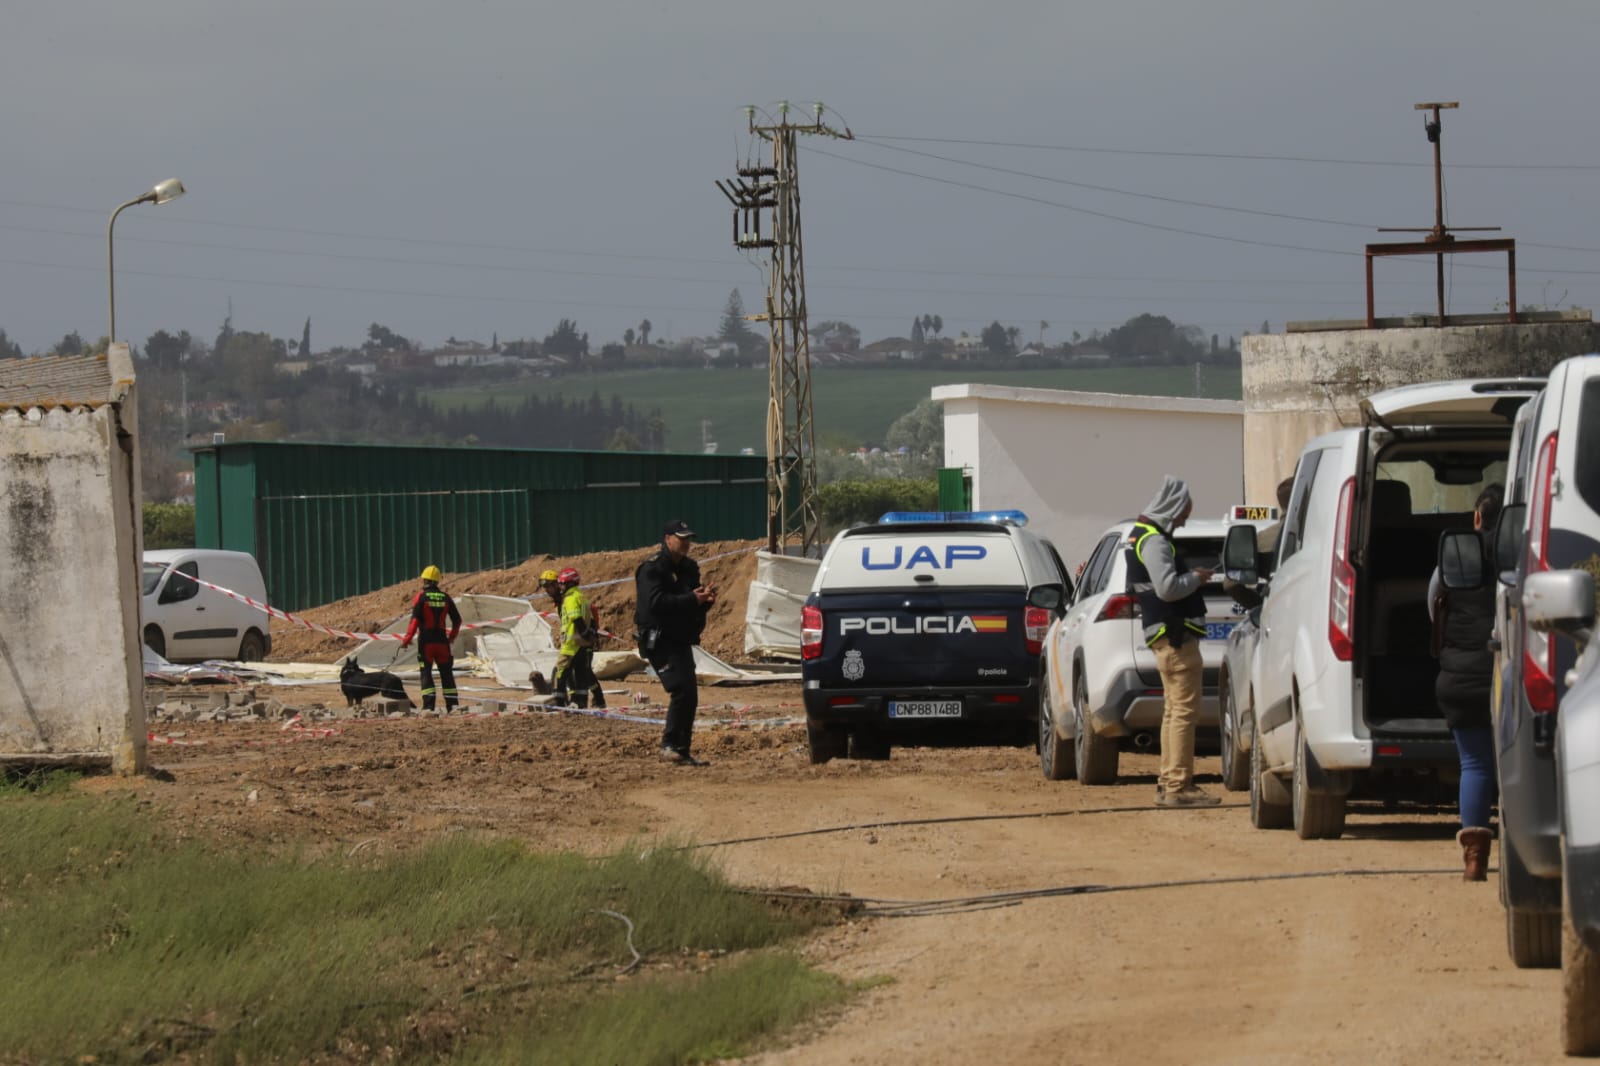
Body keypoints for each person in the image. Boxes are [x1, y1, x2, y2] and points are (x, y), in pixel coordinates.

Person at [1126, 476, 1220, 807]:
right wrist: (1195, 578)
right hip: (1176, 637)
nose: (1182, 523)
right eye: (1182, 516)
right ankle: (1179, 787)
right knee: (1183, 713)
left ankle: (1169, 782)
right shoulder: (1154, 541)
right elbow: (1167, 588)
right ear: (1171, 509)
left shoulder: (1142, 536)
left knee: (1173, 711)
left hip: (1166, 638)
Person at [1428, 483, 1504, 880]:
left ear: (1477, 517)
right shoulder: (1523, 557)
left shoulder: (1454, 557)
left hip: (1460, 678)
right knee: (1519, 765)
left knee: (1474, 764)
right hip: (1510, 676)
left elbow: (1433, 608)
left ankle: (1475, 858)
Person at [635, 518, 716, 766]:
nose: (686, 543)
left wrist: (705, 600)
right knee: (680, 689)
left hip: (680, 638)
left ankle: (682, 748)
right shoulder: (652, 569)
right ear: (668, 539)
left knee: (689, 693)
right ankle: (669, 745)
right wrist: (692, 599)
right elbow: (655, 603)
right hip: (659, 640)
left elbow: (691, 600)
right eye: (681, 539)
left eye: (688, 539)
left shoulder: (690, 568)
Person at [399, 565, 462, 713]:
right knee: (447, 674)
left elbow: (415, 621)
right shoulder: (446, 597)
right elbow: (457, 620)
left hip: (426, 643)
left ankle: (429, 707)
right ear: (437, 581)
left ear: (425, 580)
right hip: (442, 643)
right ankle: (453, 706)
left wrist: (407, 640)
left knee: (426, 673)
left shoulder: (421, 597)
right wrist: (451, 637)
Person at [551, 567, 605, 709]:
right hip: (582, 643)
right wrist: (590, 635)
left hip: (571, 643)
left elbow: (576, 618)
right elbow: (590, 619)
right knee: (582, 673)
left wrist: (585, 634)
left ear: (569, 583)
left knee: (561, 672)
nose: (560, 586)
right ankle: (581, 702)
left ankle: (559, 703)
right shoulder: (581, 596)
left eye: (562, 583)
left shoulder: (570, 599)